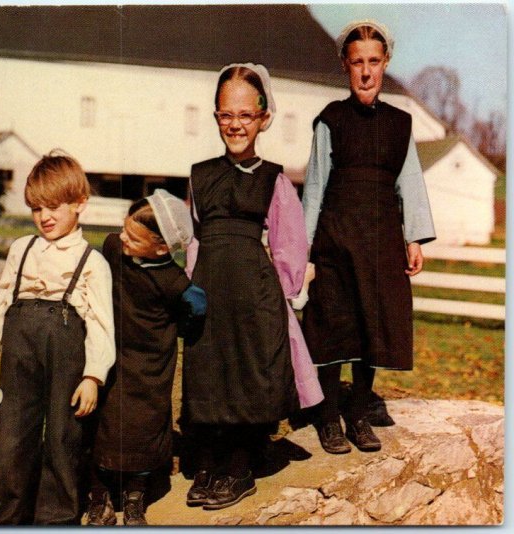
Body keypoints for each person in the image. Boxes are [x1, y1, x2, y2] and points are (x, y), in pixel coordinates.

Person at [183, 63, 318, 511]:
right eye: (225, 115)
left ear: (262, 118)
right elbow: (191, 239)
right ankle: (210, 460)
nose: (235, 124)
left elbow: (290, 243)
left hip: (253, 295)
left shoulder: (273, 178)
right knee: (210, 371)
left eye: (245, 115)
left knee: (246, 374)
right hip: (208, 289)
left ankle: (240, 463)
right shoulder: (200, 176)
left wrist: (278, 293)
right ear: (216, 117)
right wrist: (189, 289)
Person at [301, 20, 436, 455]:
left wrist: (414, 237)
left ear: (385, 64)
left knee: (370, 324)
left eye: (373, 62)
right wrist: (303, 251)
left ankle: (358, 413)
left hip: (380, 241)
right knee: (332, 324)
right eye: (357, 62)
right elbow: (316, 186)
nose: (365, 72)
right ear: (345, 65)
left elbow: (409, 182)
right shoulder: (331, 120)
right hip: (336, 239)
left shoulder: (399, 124)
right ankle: (326, 418)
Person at [0, 150, 115, 525]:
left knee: (63, 439)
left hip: (66, 350)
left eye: (54, 207)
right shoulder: (22, 250)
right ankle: (6, 517)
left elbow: (101, 324)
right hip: (19, 350)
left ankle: (56, 520)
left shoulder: (92, 261)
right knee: (10, 438)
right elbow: (0, 299)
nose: (45, 218)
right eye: (37, 209)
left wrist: (92, 376)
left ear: (79, 204)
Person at [86, 190, 207, 526]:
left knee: (143, 424)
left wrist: (178, 328)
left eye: (134, 237)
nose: (122, 238)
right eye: (124, 229)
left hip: (150, 363)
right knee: (101, 421)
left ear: (162, 247)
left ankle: (135, 494)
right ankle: (99, 495)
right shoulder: (113, 249)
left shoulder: (173, 281)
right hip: (108, 353)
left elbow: (197, 307)